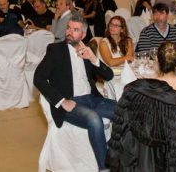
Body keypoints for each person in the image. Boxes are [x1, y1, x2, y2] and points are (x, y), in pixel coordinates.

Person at [34, 18, 116, 171]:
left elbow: (109, 76)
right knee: (94, 120)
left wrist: (93, 58)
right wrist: (61, 101)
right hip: (72, 103)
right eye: (68, 28)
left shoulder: (87, 50)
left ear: (83, 34)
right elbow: (38, 78)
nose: (69, 32)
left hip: (92, 99)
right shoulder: (55, 50)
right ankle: (104, 168)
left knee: (124, 110)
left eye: (75, 30)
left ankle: (116, 153)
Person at [107, 42, 176, 171]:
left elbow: (123, 120)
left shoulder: (139, 87)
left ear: (157, 60)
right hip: (174, 144)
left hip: (142, 143)